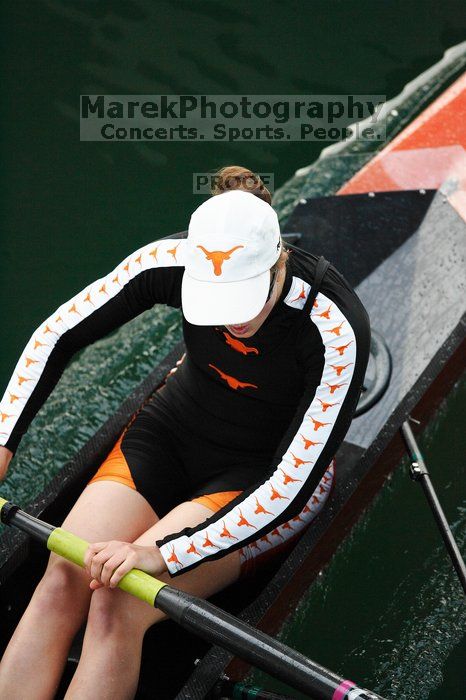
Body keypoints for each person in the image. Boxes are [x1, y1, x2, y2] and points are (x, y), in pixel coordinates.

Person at [0, 166, 370, 699]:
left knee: (119, 600)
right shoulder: (167, 260)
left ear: (279, 261)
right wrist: (3, 441)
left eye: (242, 300)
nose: (229, 322)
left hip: (261, 476)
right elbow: (57, 333)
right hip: (170, 433)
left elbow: (291, 484)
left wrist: (164, 555)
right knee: (63, 574)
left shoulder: (334, 325)